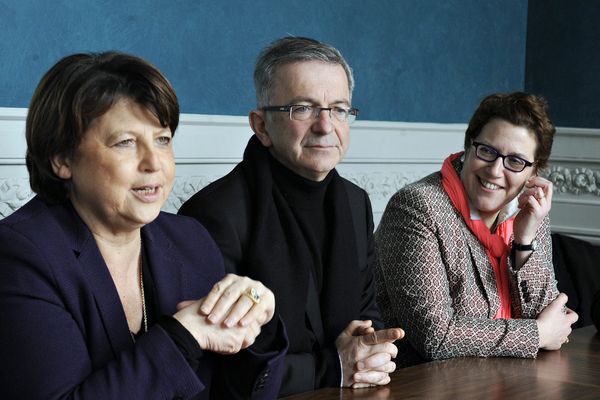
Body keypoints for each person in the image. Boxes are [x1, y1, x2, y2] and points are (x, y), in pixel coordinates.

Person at [0, 51, 287, 399]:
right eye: (126, 142)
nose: (154, 162)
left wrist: (260, 324)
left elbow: (231, 392)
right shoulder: (20, 254)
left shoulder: (189, 239)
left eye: (163, 139)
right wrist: (183, 336)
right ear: (61, 158)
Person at [178, 36, 403, 396]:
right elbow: (221, 362)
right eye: (303, 108)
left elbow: (366, 312)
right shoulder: (212, 214)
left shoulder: (355, 201)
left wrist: (370, 349)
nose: (326, 126)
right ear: (261, 126)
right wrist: (335, 367)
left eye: (340, 109)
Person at [374, 92, 579, 367]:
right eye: (487, 151)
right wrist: (537, 333)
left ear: (534, 173)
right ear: (469, 147)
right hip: (422, 386)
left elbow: (551, 318)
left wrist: (525, 241)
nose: (495, 171)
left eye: (515, 161)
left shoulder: (530, 213)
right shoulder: (417, 208)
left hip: (505, 381)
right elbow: (436, 337)